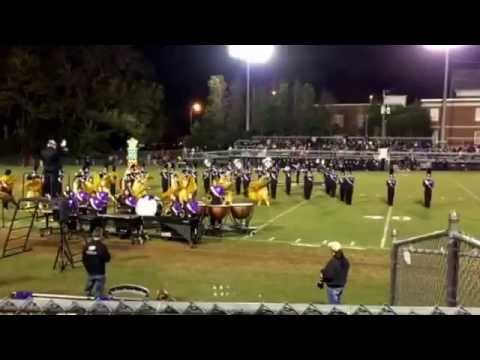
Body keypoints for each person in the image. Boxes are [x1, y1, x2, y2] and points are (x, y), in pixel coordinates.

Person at [82, 229, 111, 298]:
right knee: (99, 294)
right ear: (101, 236)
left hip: (90, 272)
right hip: (100, 272)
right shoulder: (102, 246)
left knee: (88, 293)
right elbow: (107, 258)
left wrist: (88, 268)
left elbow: (84, 259)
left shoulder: (87, 246)